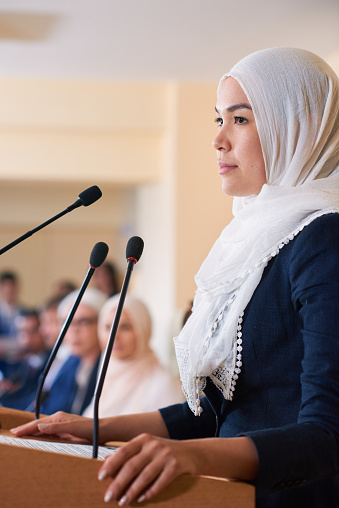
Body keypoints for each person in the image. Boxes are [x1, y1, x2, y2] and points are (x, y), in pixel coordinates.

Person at [11, 47, 339, 508]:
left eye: (241, 120)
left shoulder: (322, 239)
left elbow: (327, 437)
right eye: (218, 120)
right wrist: (94, 429)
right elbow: (212, 415)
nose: (219, 140)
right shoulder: (251, 239)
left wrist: (186, 456)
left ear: (295, 127)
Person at [83, 294, 184, 418]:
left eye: (125, 327)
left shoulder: (161, 384)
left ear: (143, 329)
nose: (114, 336)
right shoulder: (105, 374)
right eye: (107, 327)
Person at [37, 288, 107, 415]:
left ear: (102, 323)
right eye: (68, 322)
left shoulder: (108, 367)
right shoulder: (70, 360)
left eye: (84, 321)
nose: (74, 330)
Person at [0, 308, 51, 409]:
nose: (26, 339)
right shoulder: (21, 362)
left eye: (32, 331)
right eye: (22, 332)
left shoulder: (52, 362)